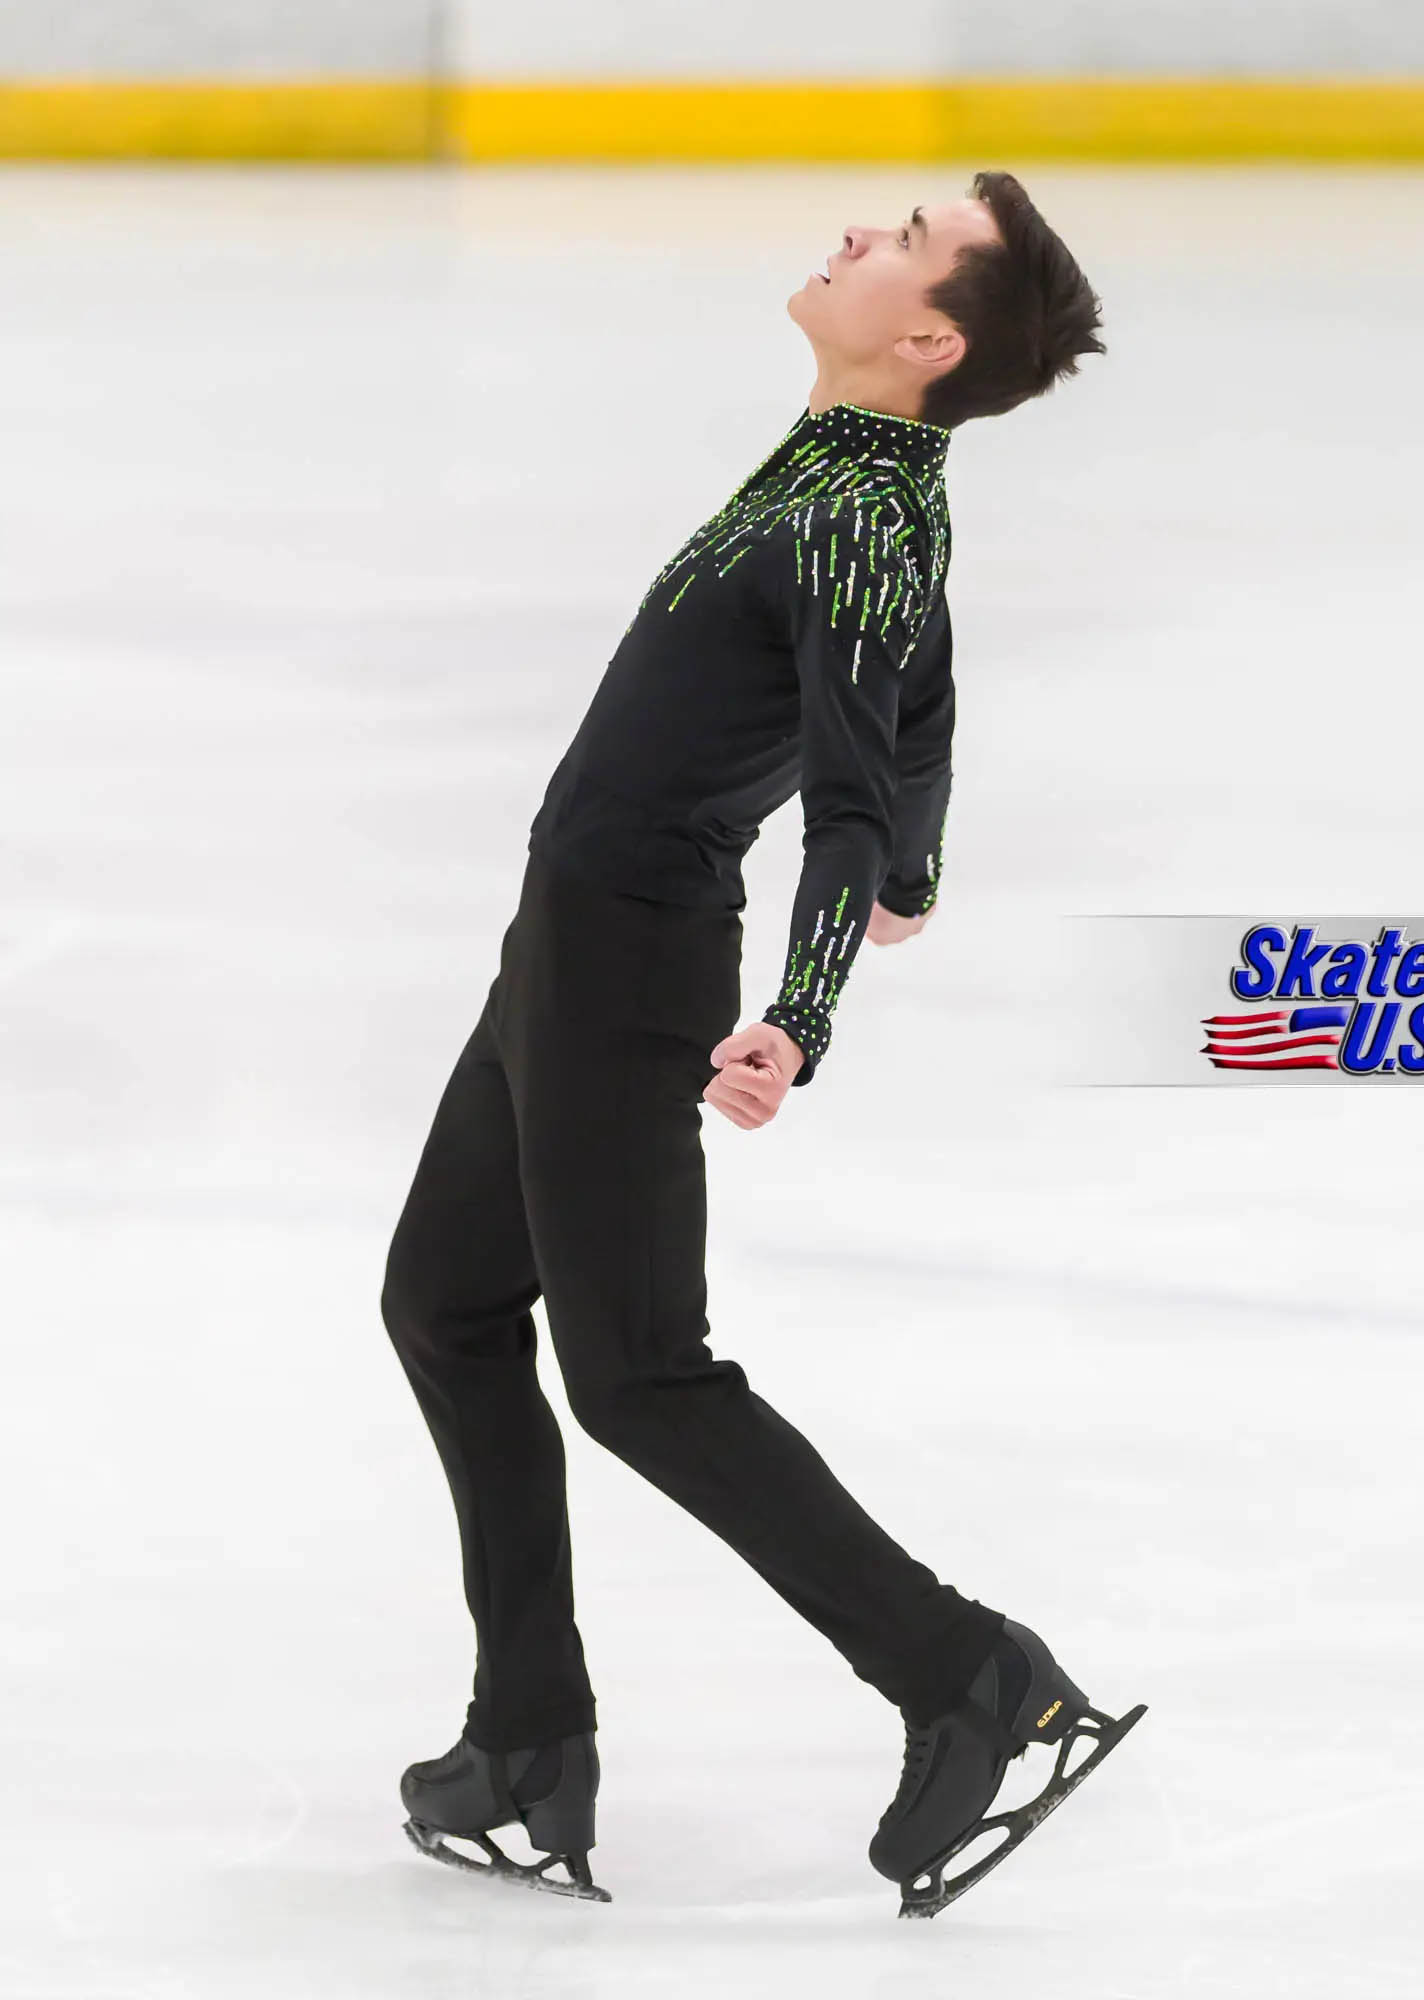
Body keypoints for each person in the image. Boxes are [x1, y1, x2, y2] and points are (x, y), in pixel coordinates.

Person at [381, 168, 1144, 1916]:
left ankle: (972, 1676)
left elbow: (851, 794)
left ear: (930, 339)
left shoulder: (868, 505)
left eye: (907, 242)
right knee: (446, 1304)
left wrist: (804, 1011)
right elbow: (910, 695)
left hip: (636, 960)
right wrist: (920, 863)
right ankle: (529, 1739)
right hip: (566, 946)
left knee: (641, 1377)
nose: (862, 231)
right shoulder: (855, 477)